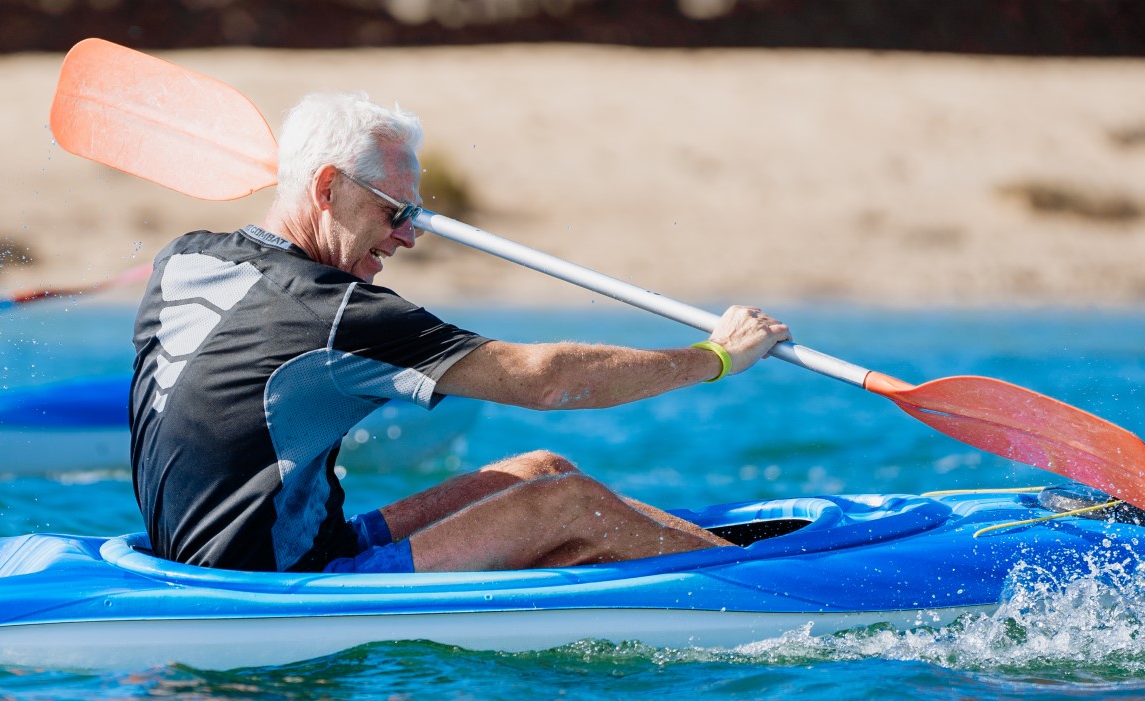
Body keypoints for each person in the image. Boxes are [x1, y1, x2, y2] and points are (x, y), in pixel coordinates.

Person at [129, 92, 793, 574]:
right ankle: (775, 588)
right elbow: (549, 381)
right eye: (394, 211)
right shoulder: (335, 314)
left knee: (541, 470)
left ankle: (722, 556)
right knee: (570, 506)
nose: (408, 236)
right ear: (326, 186)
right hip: (268, 581)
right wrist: (717, 356)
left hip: (234, 551)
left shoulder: (185, 258)